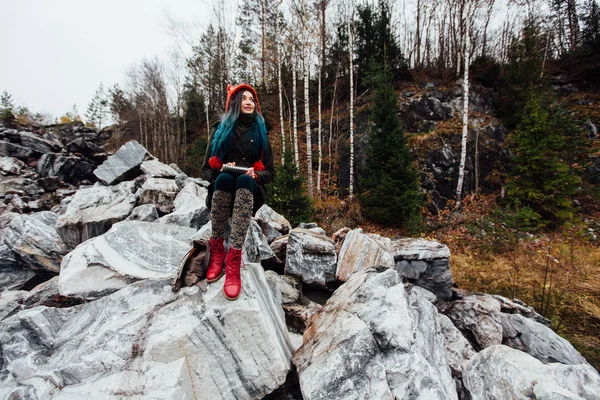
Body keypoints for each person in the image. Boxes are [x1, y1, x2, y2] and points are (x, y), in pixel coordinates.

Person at [201, 83, 274, 300]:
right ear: (234, 103)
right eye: (243, 98)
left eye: (252, 99)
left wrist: (256, 175)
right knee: (224, 177)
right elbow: (206, 169)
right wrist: (223, 167)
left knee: (243, 179)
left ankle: (233, 258)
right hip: (223, 185)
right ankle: (217, 251)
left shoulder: (261, 132)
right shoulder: (219, 130)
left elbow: (270, 172)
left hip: (249, 190)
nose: (249, 102)